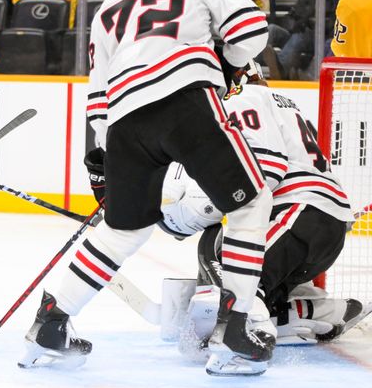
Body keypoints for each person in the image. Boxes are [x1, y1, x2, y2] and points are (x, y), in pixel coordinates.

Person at [20, 0, 273, 376]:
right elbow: (251, 31)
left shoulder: (107, 8)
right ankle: (234, 328)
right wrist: (228, 67)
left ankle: (52, 321)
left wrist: (105, 158)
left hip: (123, 121)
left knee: (123, 232)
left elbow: (97, 102)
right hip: (185, 99)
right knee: (250, 204)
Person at [154, 66, 367, 352]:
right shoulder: (274, 100)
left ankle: (242, 339)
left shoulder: (242, 98)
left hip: (300, 213)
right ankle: (320, 310)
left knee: (237, 268)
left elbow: (267, 169)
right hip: (321, 222)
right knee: (264, 287)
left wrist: (204, 208)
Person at [262, 0, 339, 80]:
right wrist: (295, 23)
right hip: (298, 34)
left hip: (319, 41)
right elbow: (293, 16)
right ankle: (261, 63)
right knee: (272, 29)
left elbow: (332, 27)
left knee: (300, 36)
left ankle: (281, 68)